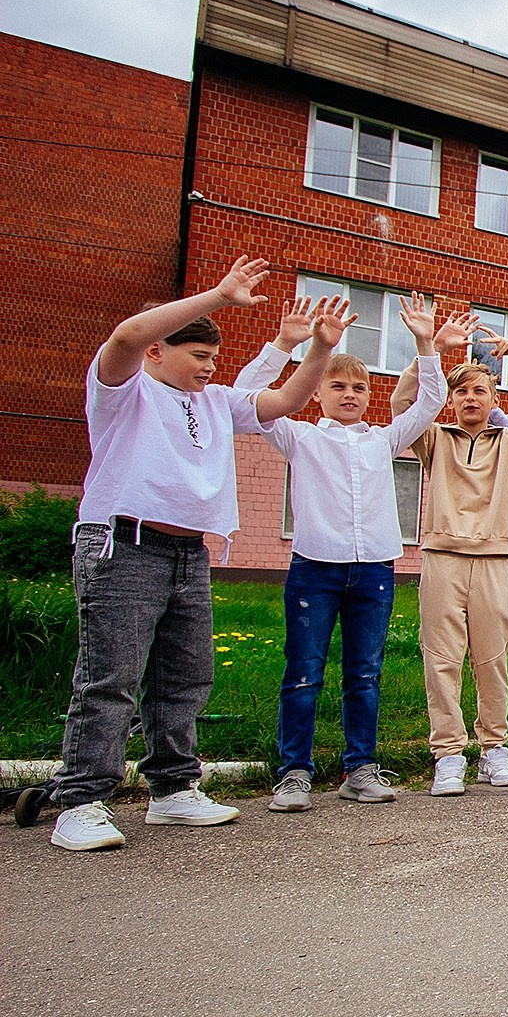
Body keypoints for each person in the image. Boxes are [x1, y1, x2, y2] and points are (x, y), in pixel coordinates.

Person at [48, 257, 343, 852]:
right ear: (158, 352)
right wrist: (219, 296)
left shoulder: (215, 404)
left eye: (214, 360)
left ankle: (172, 789)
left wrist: (318, 349)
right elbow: (127, 335)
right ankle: (80, 800)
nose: (211, 369)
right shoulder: (122, 390)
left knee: (184, 676)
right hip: (124, 546)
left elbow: (284, 399)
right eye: (199, 357)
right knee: (111, 678)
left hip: (188, 552)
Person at [234, 293, 476, 811]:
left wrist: (424, 342)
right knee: (304, 673)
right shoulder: (297, 435)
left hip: (373, 572)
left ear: (370, 395)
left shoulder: (384, 440)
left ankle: (360, 768)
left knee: (364, 673)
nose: (350, 393)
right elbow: (246, 397)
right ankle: (294, 772)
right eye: (338, 385)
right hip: (314, 572)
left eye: (359, 387)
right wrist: (291, 348)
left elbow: (430, 400)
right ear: (316, 390)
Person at [390, 325, 508, 796]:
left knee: (492, 657)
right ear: (449, 399)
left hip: (494, 560)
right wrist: (433, 352)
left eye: (478, 391)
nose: (468, 399)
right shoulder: (435, 439)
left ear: (491, 397)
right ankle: (447, 754)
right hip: (441, 557)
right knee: (441, 657)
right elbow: (401, 409)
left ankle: (494, 749)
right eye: (459, 392)